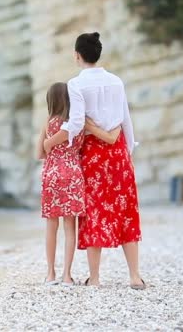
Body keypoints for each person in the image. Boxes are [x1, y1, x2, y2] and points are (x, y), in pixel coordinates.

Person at [43, 32, 145, 290]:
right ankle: (134, 276)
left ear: (77, 55)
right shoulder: (116, 81)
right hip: (118, 150)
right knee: (126, 211)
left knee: (94, 213)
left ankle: (96, 279)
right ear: (98, 54)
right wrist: (128, 150)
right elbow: (126, 119)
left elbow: (76, 123)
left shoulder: (76, 84)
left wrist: (55, 140)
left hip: (93, 155)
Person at [37, 82, 85, 286]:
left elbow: (39, 153)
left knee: (51, 226)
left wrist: (50, 145)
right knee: (69, 227)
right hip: (73, 174)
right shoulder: (78, 124)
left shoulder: (49, 122)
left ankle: (50, 274)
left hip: (53, 175)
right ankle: (67, 275)